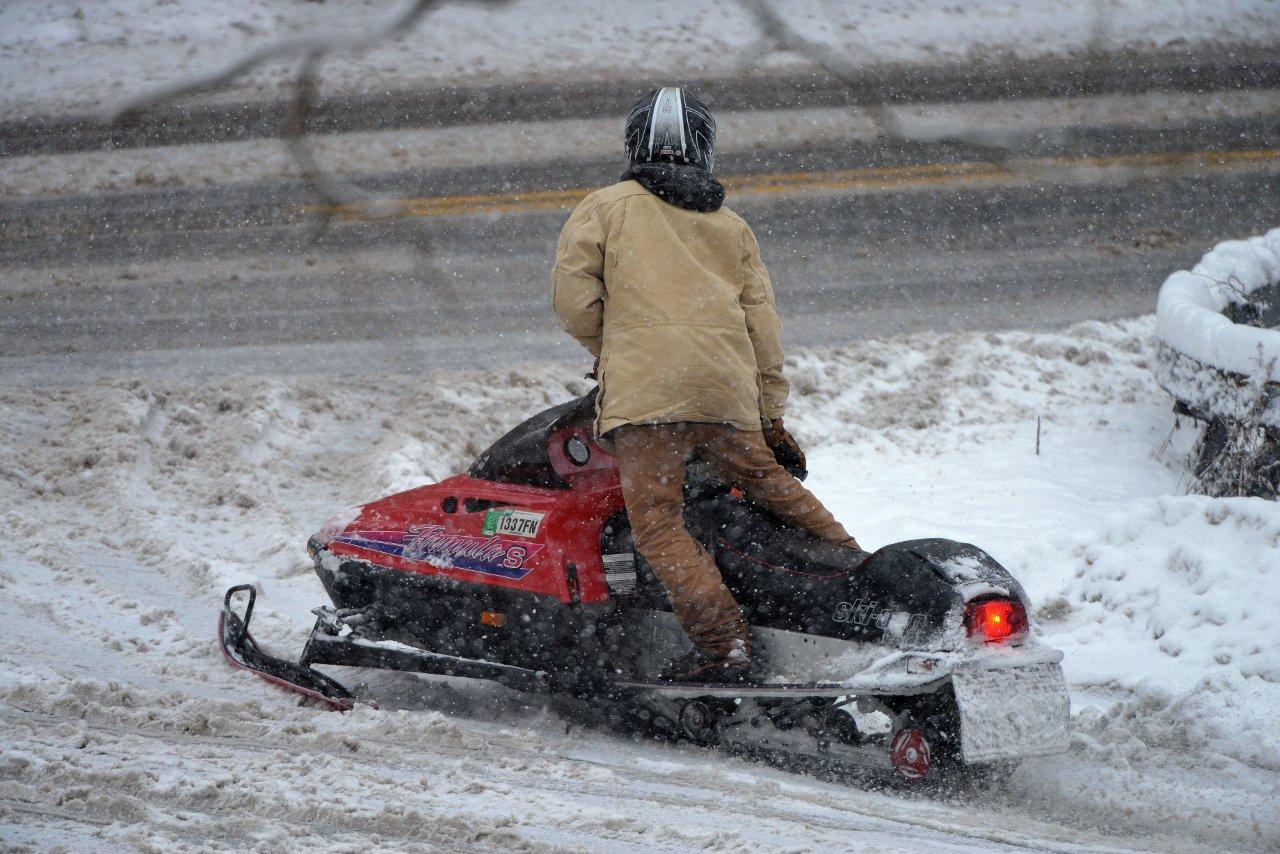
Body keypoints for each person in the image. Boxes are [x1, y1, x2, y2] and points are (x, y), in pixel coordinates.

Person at [551, 87, 861, 684]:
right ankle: (864, 575)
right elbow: (762, 328)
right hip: (724, 390)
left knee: (661, 525)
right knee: (774, 490)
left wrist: (622, 349)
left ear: (634, 143)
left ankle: (724, 647)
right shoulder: (730, 225)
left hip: (649, 398)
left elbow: (574, 304)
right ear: (706, 149)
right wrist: (770, 416)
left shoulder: (604, 207)